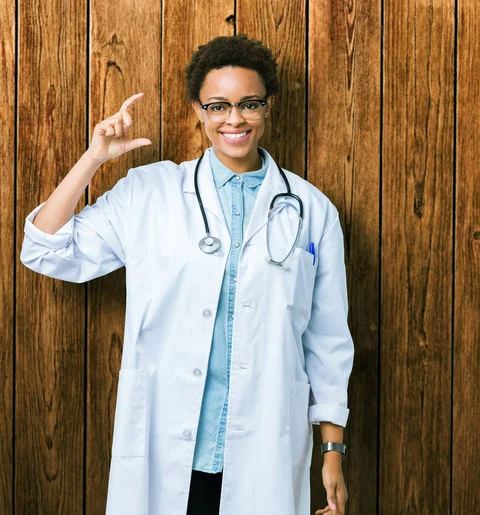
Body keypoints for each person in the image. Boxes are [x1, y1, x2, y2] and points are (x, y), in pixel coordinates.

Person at [20, 34, 354, 515]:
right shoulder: (149, 192)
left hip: (263, 445)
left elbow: (327, 342)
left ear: (268, 107)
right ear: (198, 110)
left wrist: (332, 452)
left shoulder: (310, 210)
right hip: (168, 444)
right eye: (218, 106)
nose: (234, 119)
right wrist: (94, 158)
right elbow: (45, 250)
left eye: (249, 104)